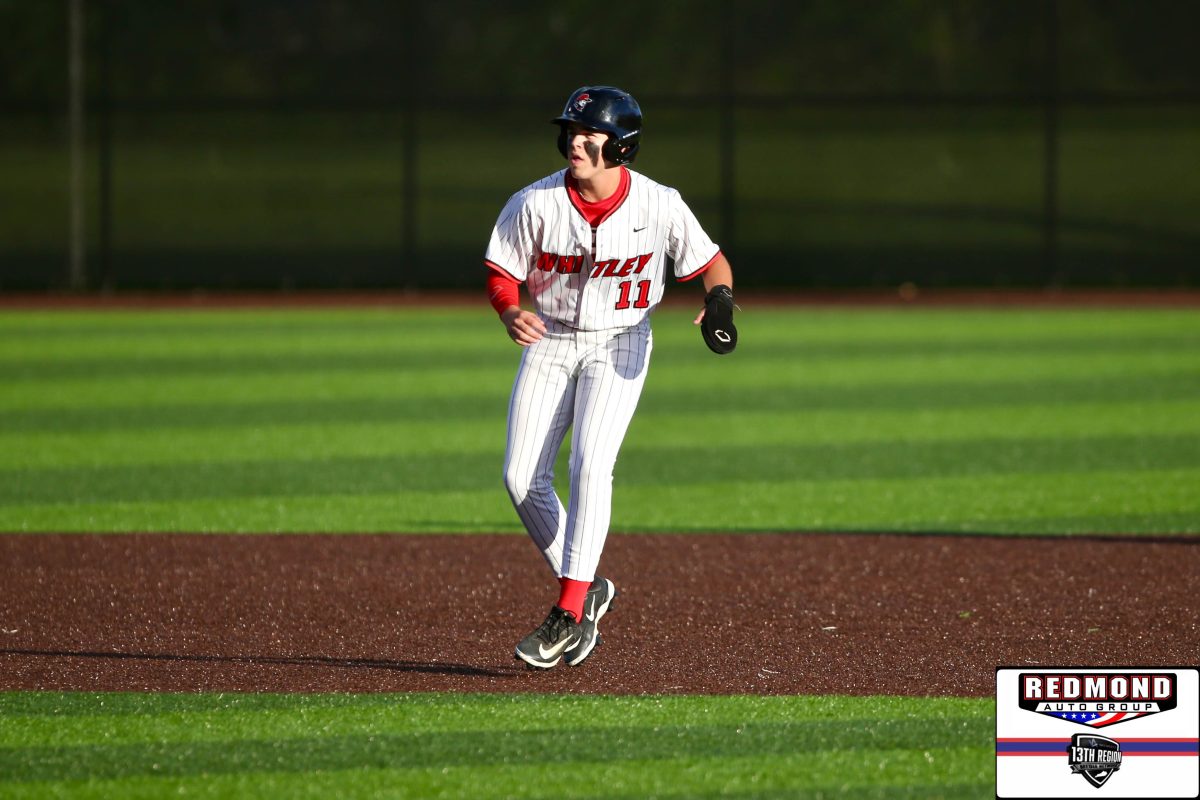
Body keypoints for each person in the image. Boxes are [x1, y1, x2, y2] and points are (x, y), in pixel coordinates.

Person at [484, 85, 738, 669]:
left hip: (621, 339)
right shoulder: (534, 202)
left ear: (621, 146)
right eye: (570, 132)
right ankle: (589, 586)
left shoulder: (658, 203)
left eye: (589, 133)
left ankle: (568, 612)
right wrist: (508, 310)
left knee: (590, 465)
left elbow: (711, 262)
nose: (575, 142)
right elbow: (502, 268)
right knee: (521, 478)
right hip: (550, 336)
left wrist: (720, 302)